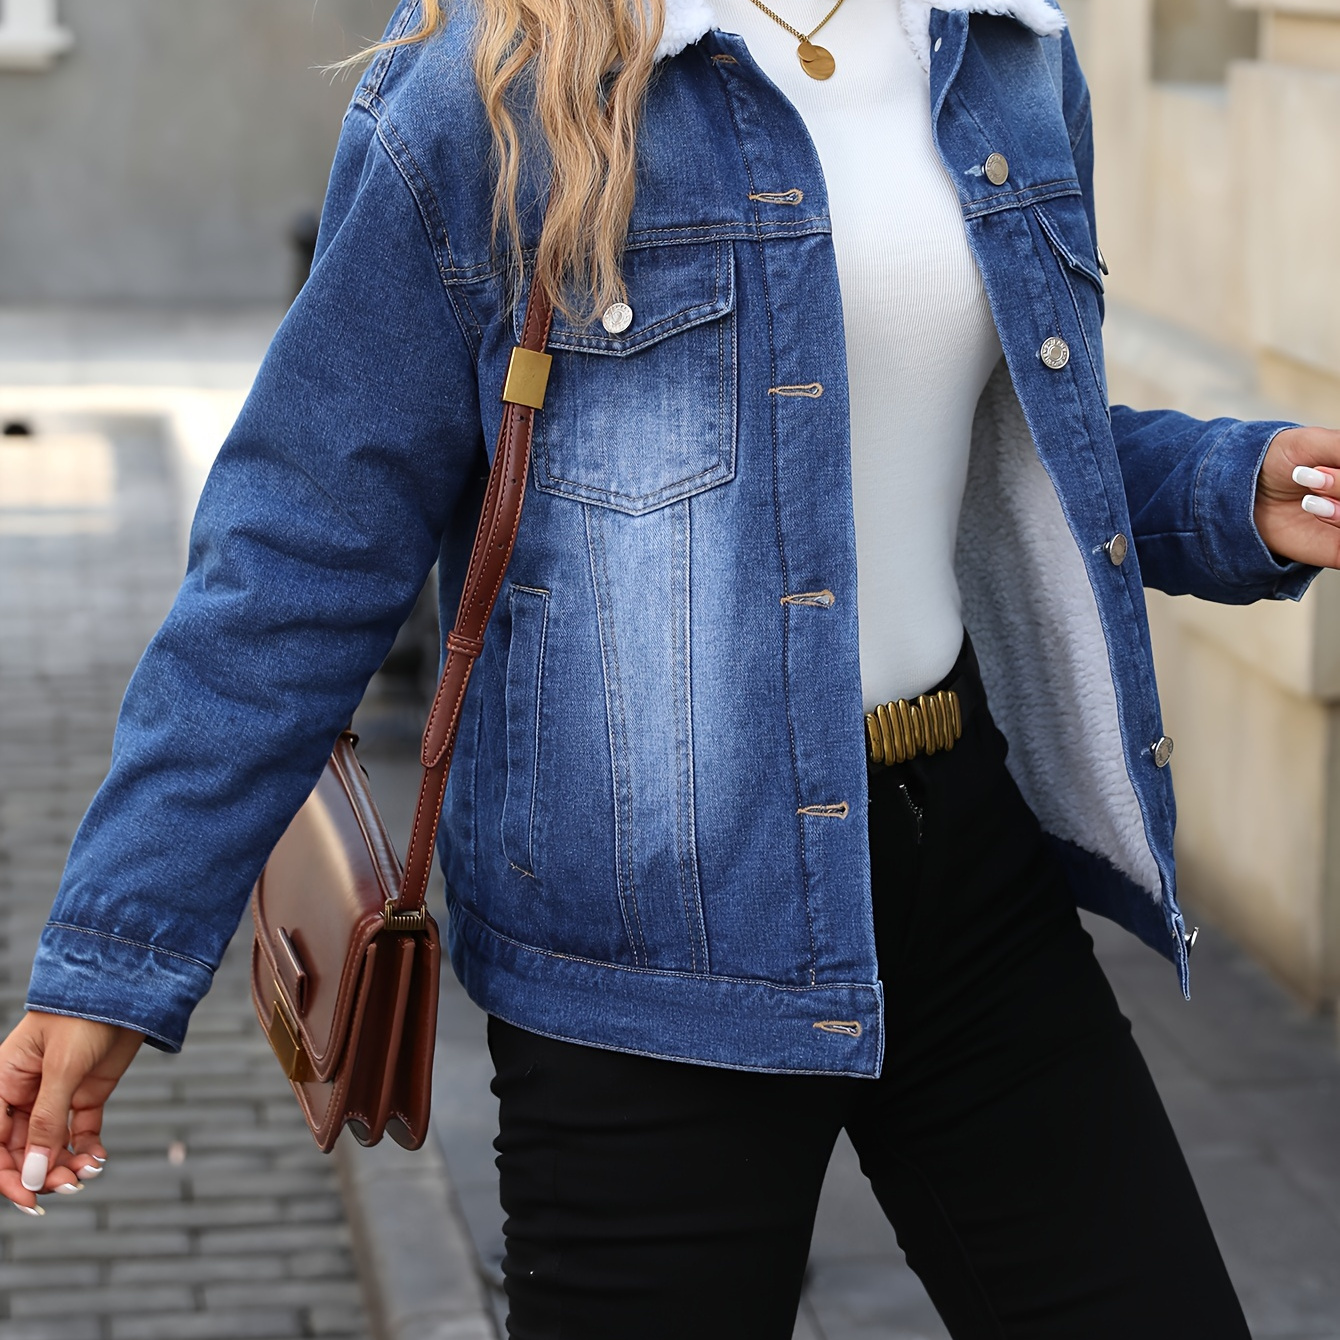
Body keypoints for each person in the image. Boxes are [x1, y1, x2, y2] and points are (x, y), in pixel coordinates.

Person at [2, 0, 1338, 1333]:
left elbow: (985, 442)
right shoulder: (490, 81)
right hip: (644, 952)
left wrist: (1231, 491)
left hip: (965, 868)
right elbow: (298, 550)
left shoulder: (1000, 48)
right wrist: (116, 952)